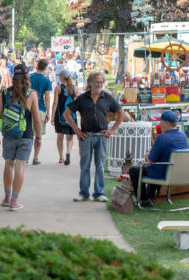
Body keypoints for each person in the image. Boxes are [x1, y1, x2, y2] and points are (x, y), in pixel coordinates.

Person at [64, 71, 125, 202]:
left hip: (102, 137)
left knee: (100, 166)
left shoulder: (107, 97)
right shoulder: (82, 98)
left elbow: (121, 113)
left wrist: (112, 130)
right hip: (86, 137)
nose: (99, 84)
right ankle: (84, 193)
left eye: (101, 82)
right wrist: (76, 130)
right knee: (85, 165)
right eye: (97, 81)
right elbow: (67, 113)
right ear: (90, 82)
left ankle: (99, 193)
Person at [0, 63, 42, 210]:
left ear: (14, 76)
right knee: (20, 166)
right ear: (27, 76)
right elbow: (37, 119)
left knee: (9, 164)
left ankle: (7, 197)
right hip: (25, 135)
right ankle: (14, 201)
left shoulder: (6, 93)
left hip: (8, 134)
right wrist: (38, 137)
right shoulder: (31, 94)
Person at [129, 111, 188, 207]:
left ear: (166, 123)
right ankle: (150, 198)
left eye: (161, 122)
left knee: (135, 170)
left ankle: (144, 200)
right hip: (178, 172)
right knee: (156, 166)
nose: (160, 125)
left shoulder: (162, 138)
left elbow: (149, 160)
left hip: (165, 173)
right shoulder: (183, 136)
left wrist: (148, 153)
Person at [29, 58, 52, 165]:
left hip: (28, 108)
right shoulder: (47, 81)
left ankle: (24, 157)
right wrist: (48, 112)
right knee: (38, 136)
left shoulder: (30, 77)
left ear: (36, 66)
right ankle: (36, 157)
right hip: (40, 108)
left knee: (27, 135)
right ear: (45, 68)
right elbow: (47, 98)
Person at [51, 69, 76, 165]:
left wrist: (52, 115)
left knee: (60, 137)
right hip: (71, 116)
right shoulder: (75, 88)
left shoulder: (58, 88)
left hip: (60, 115)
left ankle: (61, 157)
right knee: (69, 137)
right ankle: (68, 152)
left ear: (61, 78)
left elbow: (55, 103)